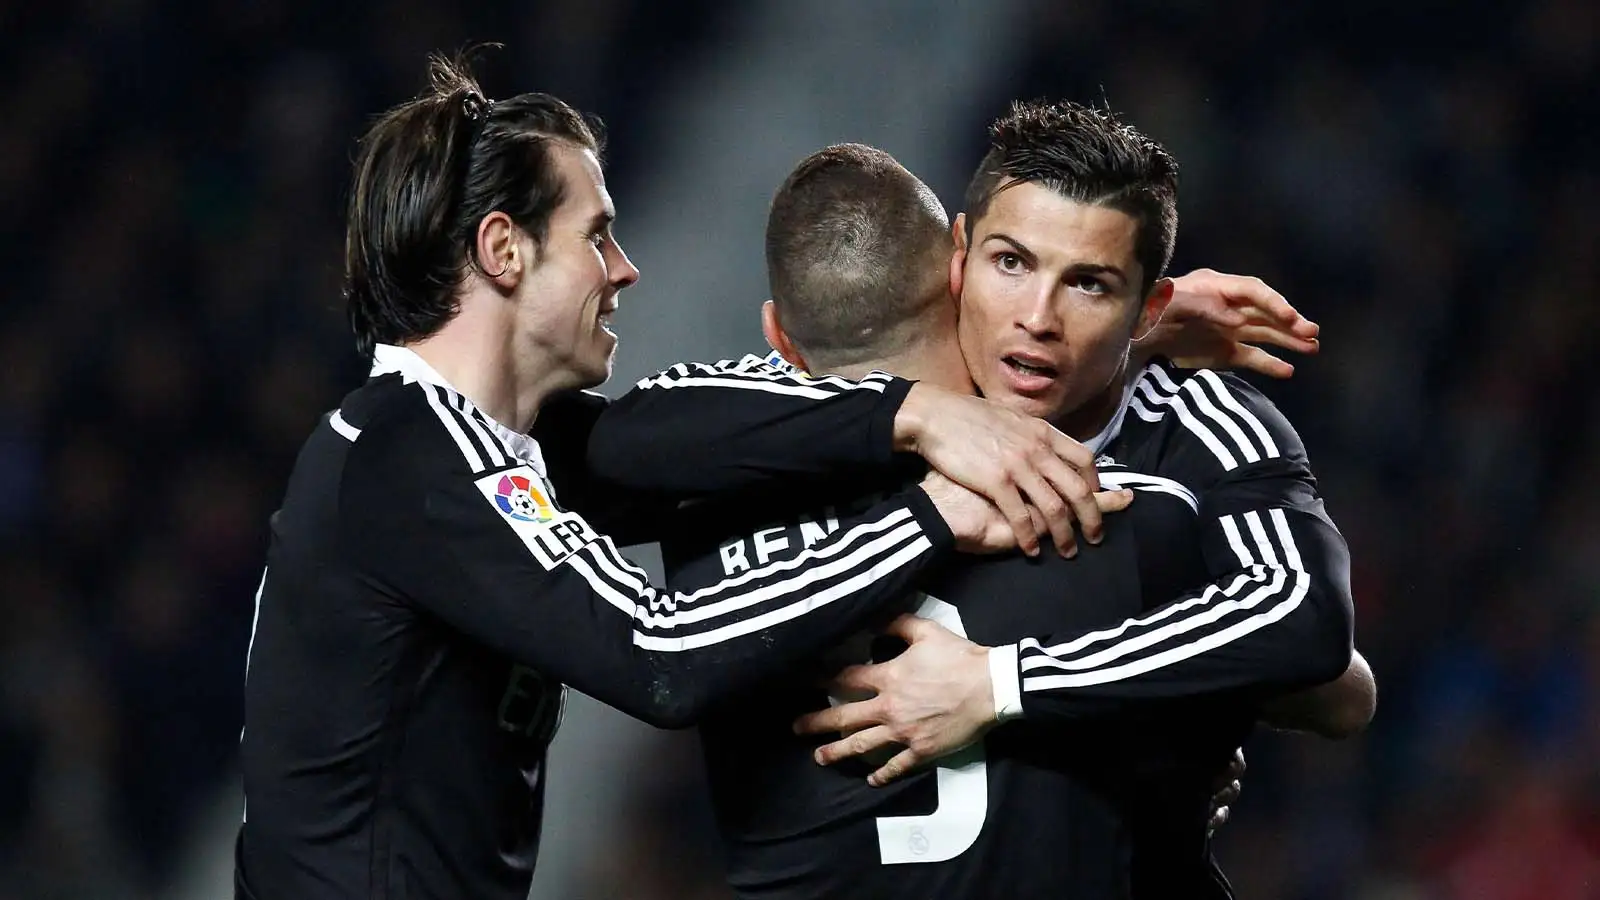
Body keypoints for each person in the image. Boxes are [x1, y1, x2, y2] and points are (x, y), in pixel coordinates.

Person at [233, 56, 1113, 900]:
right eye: (597, 234)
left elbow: (673, 434)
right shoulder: (413, 455)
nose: (624, 270)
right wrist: (930, 513)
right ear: (504, 249)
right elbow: (661, 655)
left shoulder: (481, 441)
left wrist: (1067, 349)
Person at [581, 108, 1369, 898]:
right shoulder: (828, 413)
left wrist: (1005, 683)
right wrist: (919, 412)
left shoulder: (1192, 433)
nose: (1038, 318)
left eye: (1089, 284)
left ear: (1148, 305)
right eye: (1011, 263)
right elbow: (624, 443)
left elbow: (1319, 655)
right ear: (958, 261)